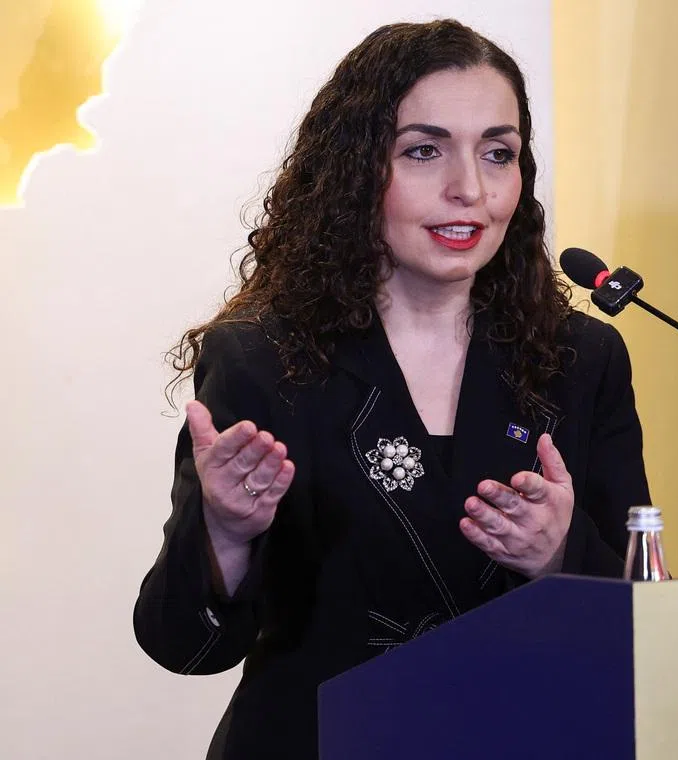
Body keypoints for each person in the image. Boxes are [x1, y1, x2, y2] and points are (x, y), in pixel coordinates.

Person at [132, 18, 651, 760]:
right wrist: (224, 533)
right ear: (354, 170)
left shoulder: (581, 358)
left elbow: (649, 628)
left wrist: (560, 555)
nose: (469, 189)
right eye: (423, 151)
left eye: (498, 153)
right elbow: (181, 645)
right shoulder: (260, 359)